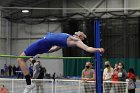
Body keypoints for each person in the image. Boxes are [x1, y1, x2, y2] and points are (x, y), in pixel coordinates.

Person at [17, 31, 104, 93]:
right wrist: (43, 50)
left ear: (82, 38)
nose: (79, 31)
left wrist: (98, 49)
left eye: (82, 33)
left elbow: (88, 48)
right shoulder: (69, 37)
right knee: (21, 59)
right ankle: (32, 64)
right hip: (44, 44)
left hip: (43, 43)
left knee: (20, 59)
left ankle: (29, 84)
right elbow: (54, 49)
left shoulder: (76, 41)